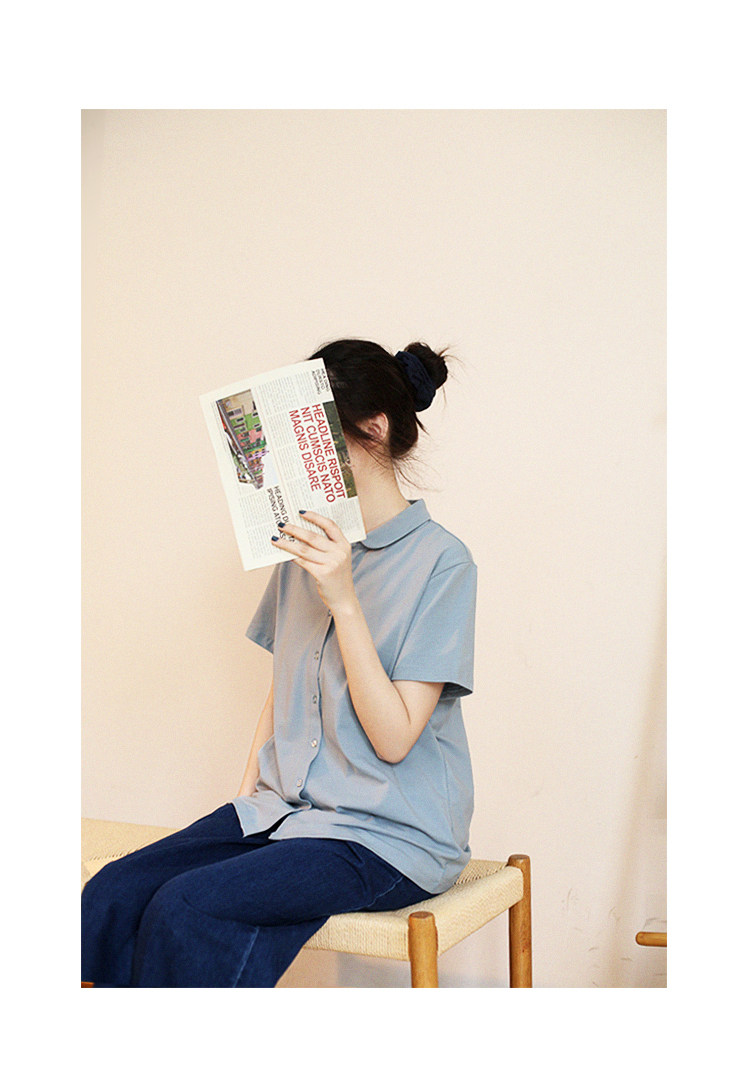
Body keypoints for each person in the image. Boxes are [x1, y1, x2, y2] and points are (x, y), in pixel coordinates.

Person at [81, 338, 477, 987]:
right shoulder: (305, 543)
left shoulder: (442, 562)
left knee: (188, 907)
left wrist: (344, 599)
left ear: (374, 429)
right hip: (285, 813)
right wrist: (245, 803)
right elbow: (285, 684)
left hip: (389, 836)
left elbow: (396, 737)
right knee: (113, 893)